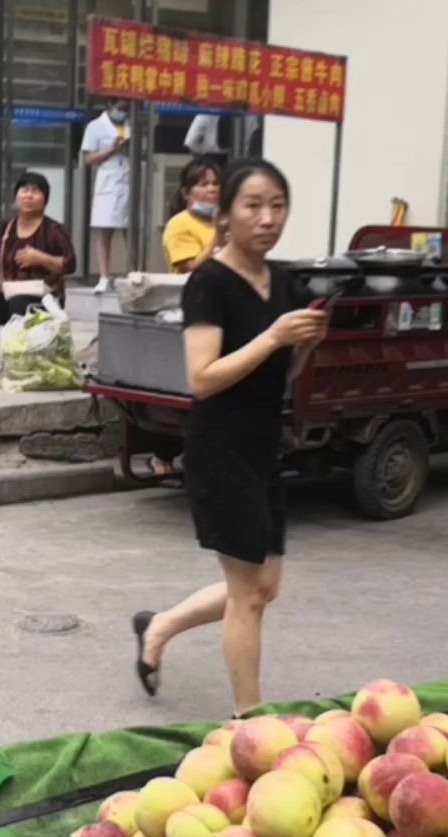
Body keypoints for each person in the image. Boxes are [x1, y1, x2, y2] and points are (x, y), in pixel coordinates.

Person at [131, 161, 329, 715]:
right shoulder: (209, 283)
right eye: (252, 206)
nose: (267, 219)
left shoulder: (284, 281)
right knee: (248, 597)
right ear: (226, 214)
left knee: (264, 586)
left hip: (265, 442)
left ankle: (159, 628)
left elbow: (277, 377)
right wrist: (274, 335)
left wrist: (305, 344)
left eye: (277, 206)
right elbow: (204, 377)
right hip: (221, 448)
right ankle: (250, 722)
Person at [0, 171, 75, 373]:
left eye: (35, 191)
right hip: (10, 295)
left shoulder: (53, 230)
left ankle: (20, 361)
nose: (29, 196)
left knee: (20, 303)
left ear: (45, 199)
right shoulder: (6, 227)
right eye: (24, 190)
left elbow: (70, 264)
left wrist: (40, 258)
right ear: (16, 196)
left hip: (45, 300)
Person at [81, 97, 131, 294]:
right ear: (110, 105)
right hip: (108, 179)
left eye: (126, 108)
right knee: (104, 230)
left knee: (131, 230)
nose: (123, 111)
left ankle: (132, 272)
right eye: (120, 107)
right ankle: (104, 276)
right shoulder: (95, 127)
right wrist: (112, 149)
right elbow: (88, 158)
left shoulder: (132, 124)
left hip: (129, 177)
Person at [163, 158, 222, 274]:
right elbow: (190, 270)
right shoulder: (179, 224)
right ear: (186, 193)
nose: (212, 189)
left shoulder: (224, 220)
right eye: (204, 184)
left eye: (216, 184)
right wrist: (219, 235)